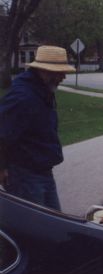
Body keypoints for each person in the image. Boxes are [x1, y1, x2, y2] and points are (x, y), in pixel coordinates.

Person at [0, 45, 75, 210]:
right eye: (60, 72)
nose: (63, 77)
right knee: (36, 230)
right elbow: (2, 134)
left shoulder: (42, 91)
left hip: (43, 172)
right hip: (24, 175)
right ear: (46, 71)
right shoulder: (23, 96)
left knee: (55, 225)